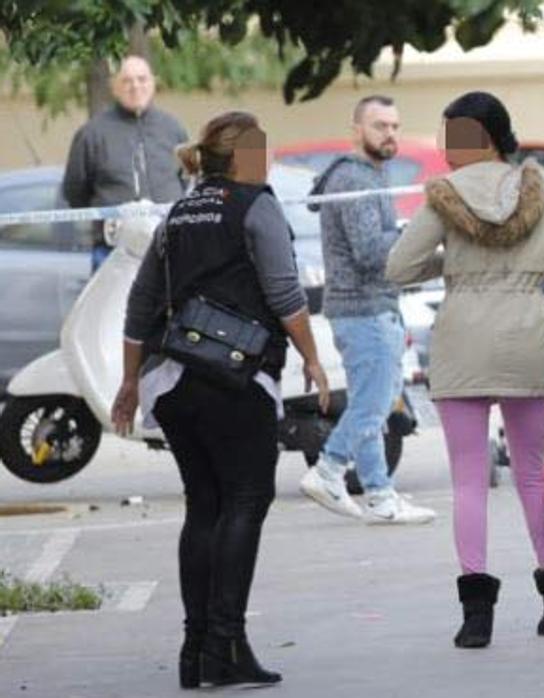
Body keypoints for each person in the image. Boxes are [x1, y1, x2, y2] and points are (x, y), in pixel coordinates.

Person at [111, 111, 331, 687]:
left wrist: (130, 382)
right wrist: (312, 358)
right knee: (245, 499)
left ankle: (196, 650)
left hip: (173, 381)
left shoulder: (180, 212)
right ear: (242, 157)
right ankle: (227, 646)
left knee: (204, 505)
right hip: (236, 378)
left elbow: (140, 303)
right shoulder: (256, 205)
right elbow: (284, 292)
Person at [385, 91, 544, 649]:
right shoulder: (542, 197)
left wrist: (452, 262)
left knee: (468, 481)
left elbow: (398, 267)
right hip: (525, 342)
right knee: (533, 476)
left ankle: (476, 617)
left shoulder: (444, 197)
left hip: (461, 342)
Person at [298, 95, 437, 525]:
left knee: (370, 405)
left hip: (371, 307)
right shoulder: (354, 179)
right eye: (380, 126)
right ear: (356, 130)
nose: (390, 133)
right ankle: (328, 469)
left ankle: (379, 495)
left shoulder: (369, 175)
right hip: (364, 310)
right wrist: (419, 233)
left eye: (395, 126)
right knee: (372, 406)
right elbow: (370, 251)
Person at [63, 55, 188, 271]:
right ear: (114, 87)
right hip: (113, 252)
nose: (135, 86)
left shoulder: (173, 129)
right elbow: (75, 192)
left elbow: (185, 180)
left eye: (142, 79)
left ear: (153, 83)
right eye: (127, 80)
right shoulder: (92, 134)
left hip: (171, 249)